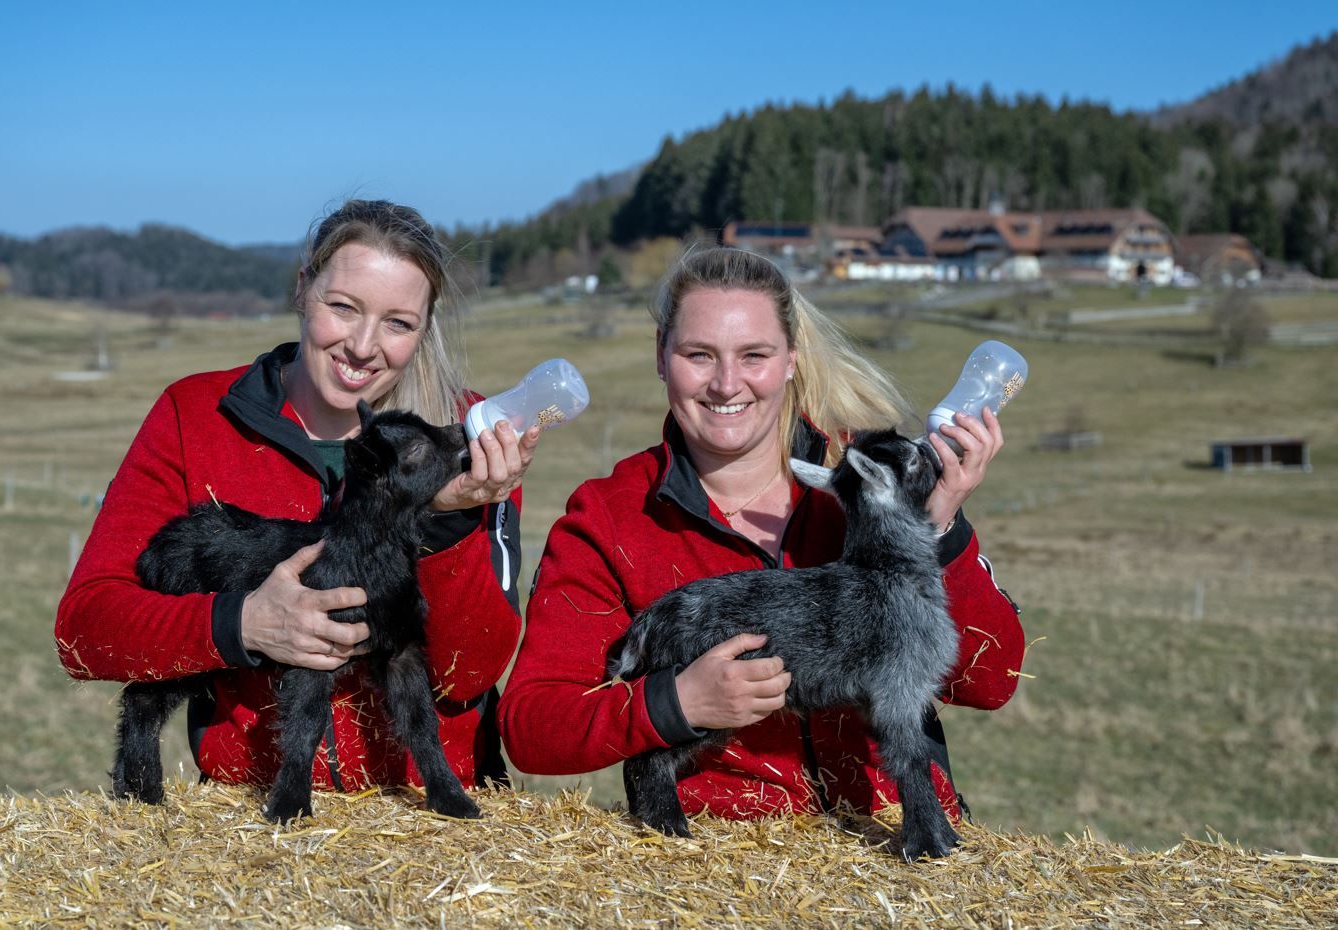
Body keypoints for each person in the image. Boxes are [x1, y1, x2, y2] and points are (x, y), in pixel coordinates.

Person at [499, 247, 1024, 823]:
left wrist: (937, 526)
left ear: (791, 358)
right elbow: (532, 729)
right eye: (699, 355)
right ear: (661, 355)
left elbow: (991, 683)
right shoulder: (610, 516)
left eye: (755, 354)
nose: (727, 384)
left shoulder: (870, 484)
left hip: (892, 839)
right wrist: (675, 703)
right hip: (735, 848)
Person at [57, 199, 535, 793]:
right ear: (303, 288)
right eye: (343, 307)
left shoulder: (463, 442)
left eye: (398, 323)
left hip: (423, 807)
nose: (363, 346)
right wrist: (240, 624)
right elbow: (84, 632)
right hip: (260, 807)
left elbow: (472, 674)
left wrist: (445, 521)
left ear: (425, 327)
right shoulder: (197, 417)